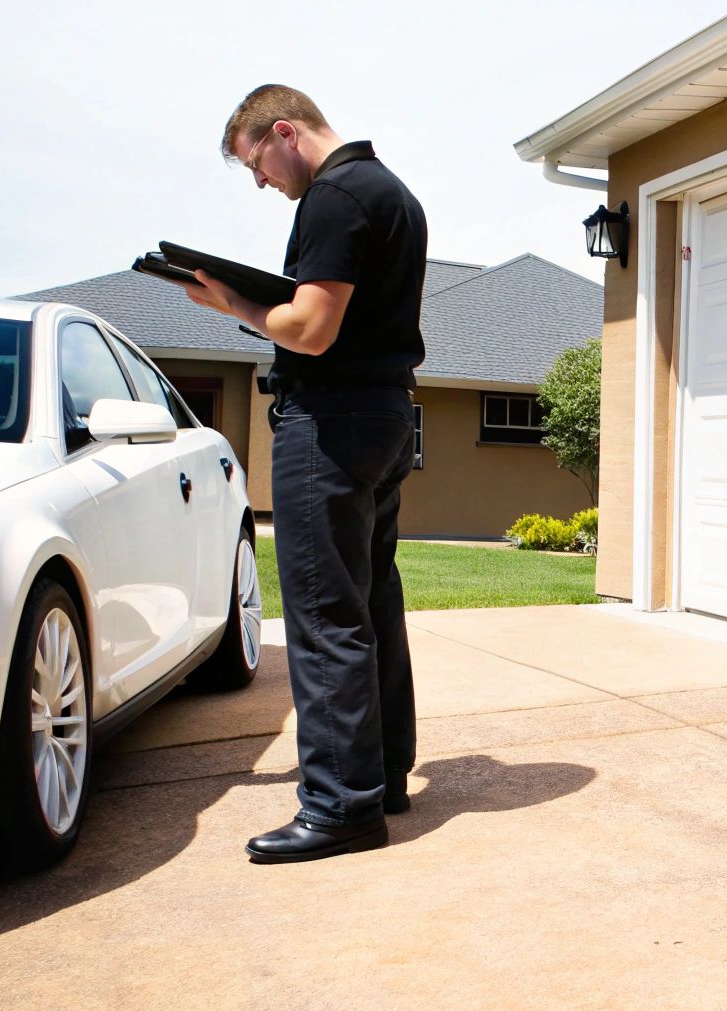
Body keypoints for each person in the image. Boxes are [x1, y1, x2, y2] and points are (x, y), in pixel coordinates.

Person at [186, 84, 425, 864]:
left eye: (257, 163)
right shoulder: (393, 193)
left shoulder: (334, 196)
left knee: (325, 617)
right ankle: (381, 777)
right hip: (385, 415)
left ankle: (341, 808)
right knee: (369, 599)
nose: (261, 182)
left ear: (283, 131)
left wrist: (236, 306)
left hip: (330, 423)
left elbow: (312, 331)